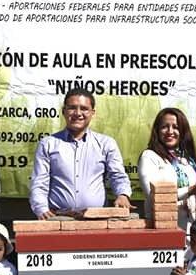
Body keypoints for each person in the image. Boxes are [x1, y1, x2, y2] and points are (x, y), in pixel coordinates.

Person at [30, 88, 132, 219]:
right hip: (58, 217)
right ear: (64, 111)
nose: (78, 113)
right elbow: (39, 182)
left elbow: (117, 176)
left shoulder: (106, 144)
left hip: (97, 219)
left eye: (84, 108)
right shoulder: (48, 144)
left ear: (92, 112)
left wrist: (123, 195)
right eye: (72, 108)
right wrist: (41, 209)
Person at [138, 108, 196, 232]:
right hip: (163, 229)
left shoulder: (187, 158)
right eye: (165, 127)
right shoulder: (149, 156)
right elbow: (153, 195)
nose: (170, 131)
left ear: (183, 131)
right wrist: (191, 190)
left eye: (176, 127)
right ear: (157, 130)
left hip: (191, 230)